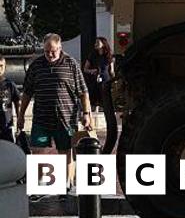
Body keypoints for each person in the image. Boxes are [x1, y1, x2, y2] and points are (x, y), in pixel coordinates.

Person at [17, 34, 91, 162]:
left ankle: (68, 182)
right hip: (41, 119)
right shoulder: (36, 65)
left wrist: (86, 114)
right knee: (38, 152)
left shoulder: (71, 63)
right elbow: (27, 93)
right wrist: (21, 115)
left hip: (66, 119)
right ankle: (40, 181)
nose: (50, 55)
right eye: (46, 51)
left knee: (67, 153)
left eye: (53, 51)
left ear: (60, 47)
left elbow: (83, 92)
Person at [82, 37, 114, 112]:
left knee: (105, 95)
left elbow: (111, 70)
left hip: (105, 78)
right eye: (95, 42)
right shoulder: (92, 55)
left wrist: (113, 80)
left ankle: (105, 109)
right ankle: (95, 108)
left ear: (103, 44)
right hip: (95, 78)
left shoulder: (108, 55)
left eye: (97, 42)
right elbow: (85, 69)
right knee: (94, 94)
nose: (95, 44)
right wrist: (91, 71)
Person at [0, 56, 19, 144]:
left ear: (5, 67)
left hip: (7, 126)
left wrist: (20, 120)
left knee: (9, 150)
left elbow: (17, 103)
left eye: (1, 66)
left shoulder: (10, 85)